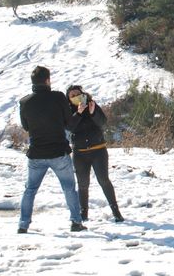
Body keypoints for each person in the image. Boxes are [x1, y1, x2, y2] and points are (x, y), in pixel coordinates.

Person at [18, 66, 86, 233]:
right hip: (58, 152)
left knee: (30, 190)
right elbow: (69, 123)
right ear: (48, 80)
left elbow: (26, 126)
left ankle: (23, 225)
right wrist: (79, 112)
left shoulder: (24, 102)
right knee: (68, 187)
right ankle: (76, 222)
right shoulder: (57, 97)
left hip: (36, 153)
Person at [66, 85, 124, 223]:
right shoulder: (69, 110)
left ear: (83, 94)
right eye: (72, 96)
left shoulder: (92, 104)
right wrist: (78, 113)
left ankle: (116, 212)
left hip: (98, 150)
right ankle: (83, 214)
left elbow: (102, 122)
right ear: (68, 99)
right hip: (79, 153)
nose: (75, 97)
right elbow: (69, 127)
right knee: (83, 184)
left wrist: (93, 113)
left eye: (77, 94)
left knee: (104, 180)